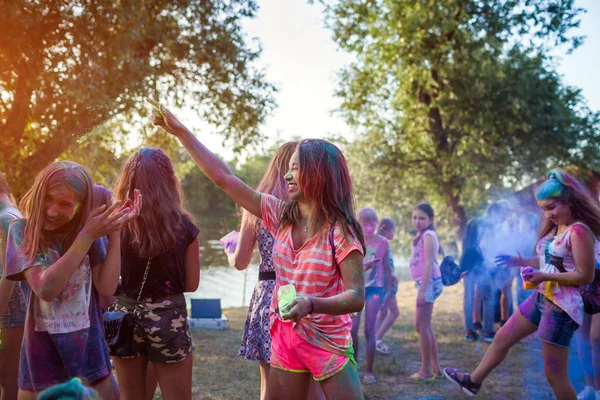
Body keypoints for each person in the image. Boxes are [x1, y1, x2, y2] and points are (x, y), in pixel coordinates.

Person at [149, 99, 366, 399]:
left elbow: (356, 296)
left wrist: (312, 304)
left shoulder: (341, 231)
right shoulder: (280, 215)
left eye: (295, 170)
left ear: (318, 175)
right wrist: (181, 131)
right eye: (288, 169)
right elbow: (224, 179)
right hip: (286, 337)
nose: (287, 177)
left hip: (327, 340)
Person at [444, 169, 599, 399]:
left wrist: (545, 276)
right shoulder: (558, 228)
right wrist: (521, 261)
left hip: (562, 309)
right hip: (542, 297)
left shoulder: (579, 232)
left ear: (569, 201)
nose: (548, 214)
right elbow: (552, 260)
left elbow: (585, 275)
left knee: (555, 375)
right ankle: (473, 382)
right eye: (544, 209)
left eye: (552, 207)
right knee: (502, 337)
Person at [5, 161, 138, 399]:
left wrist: (115, 233)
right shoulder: (22, 230)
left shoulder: (88, 231)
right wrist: (86, 237)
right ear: (37, 193)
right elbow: (45, 288)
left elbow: (107, 287)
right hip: (40, 372)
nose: (53, 211)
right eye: (47, 198)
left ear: (79, 207)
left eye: (65, 204)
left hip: (92, 366)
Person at [110, 147, 201, 400]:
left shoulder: (118, 223)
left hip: (126, 317)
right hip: (168, 318)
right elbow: (191, 284)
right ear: (170, 180)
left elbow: (109, 275)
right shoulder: (185, 226)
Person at [223, 141, 297, 400]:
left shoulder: (256, 204)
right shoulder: (307, 204)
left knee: (269, 381)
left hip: (268, 295)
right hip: (302, 293)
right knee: (305, 376)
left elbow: (241, 262)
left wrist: (229, 252)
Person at [351, 208, 391, 384]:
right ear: (359, 224)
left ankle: (368, 371)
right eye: (365, 223)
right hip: (357, 288)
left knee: (369, 330)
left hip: (376, 289)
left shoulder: (383, 243)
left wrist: (388, 294)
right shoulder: (354, 240)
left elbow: (387, 269)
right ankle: (352, 368)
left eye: (372, 223)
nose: (369, 227)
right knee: (352, 330)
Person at [408, 203, 443, 381]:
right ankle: (436, 368)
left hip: (427, 283)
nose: (417, 221)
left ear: (430, 220)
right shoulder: (421, 235)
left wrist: (422, 291)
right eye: (415, 217)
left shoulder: (429, 236)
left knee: (420, 325)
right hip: (425, 283)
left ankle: (425, 370)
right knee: (426, 325)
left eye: (422, 218)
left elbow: (429, 264)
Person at [0, 171, 26, 400]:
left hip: (11, 309)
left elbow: (12, 271)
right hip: (10, 308)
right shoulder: (10, 216)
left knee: (9, 378)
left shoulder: (7, 218)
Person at [375, 218, 400, 355]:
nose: (394, 234)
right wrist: (390, 277)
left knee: (383, 311)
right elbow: (381, 264)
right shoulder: (383, 243)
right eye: (393, 231)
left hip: (383, 281)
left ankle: (374, 338)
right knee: (394, 312)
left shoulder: (379, 242)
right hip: (385, 283)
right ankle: (377, 339)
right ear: (389, 231)